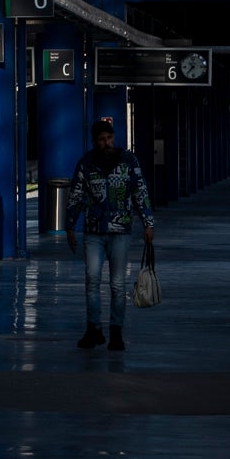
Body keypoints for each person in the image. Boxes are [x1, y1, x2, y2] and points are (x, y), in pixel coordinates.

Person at [65, 117, 156, 351]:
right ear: (95, 141)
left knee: (117, 285)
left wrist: (148, 223)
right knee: (92, 282)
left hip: (120, 231)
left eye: (110, 138)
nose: (107, 143)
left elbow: (140, 192)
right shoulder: (86, 164)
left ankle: (116, 333)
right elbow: (76, 196)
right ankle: (93, 329)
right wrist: (70, 226)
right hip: (94, 231)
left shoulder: (128, 161)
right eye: (102, 139)